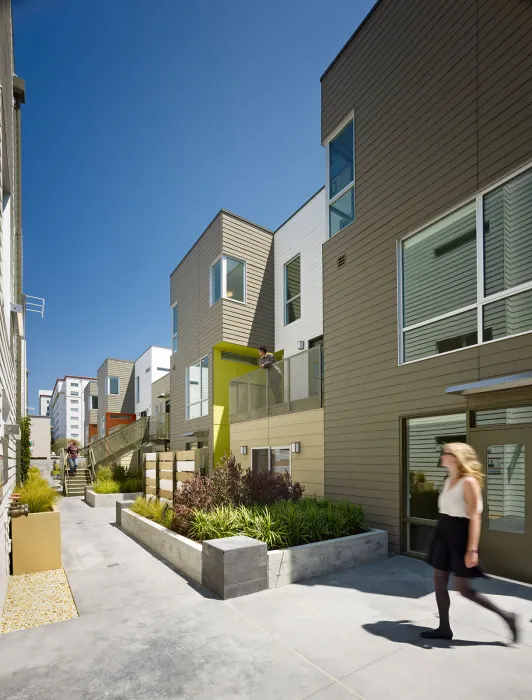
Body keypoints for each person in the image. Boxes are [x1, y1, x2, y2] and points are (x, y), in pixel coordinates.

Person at [421, 442, 520, 643]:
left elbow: (475, 516)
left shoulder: (469, 482)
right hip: (443, 532)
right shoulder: (448, 478)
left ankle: (507, 617)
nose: (442, 456)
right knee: (439, 582)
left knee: (463, 589)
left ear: (456, 457)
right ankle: (444, 628)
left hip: (460, 535)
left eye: (445, 453)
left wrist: (472, 549)